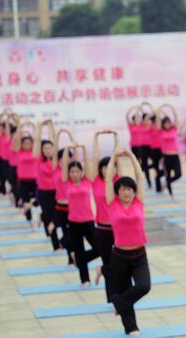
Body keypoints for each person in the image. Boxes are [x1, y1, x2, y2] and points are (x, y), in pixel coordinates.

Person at [106, 149, 151, 337]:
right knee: (124, 288)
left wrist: (131, 157)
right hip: (120, 256)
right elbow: (108, 180)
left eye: (129, 189)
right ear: (118, 191)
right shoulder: (112, 203)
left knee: (144, 286)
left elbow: (140, 178)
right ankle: (131, 327)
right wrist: (114, 158)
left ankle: (119, 302)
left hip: (139, 254)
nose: (127, 192)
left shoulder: (138, 202)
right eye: (123, 189)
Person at [62, 144, 100, 286]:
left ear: (82, 172)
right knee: (79, 249)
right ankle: (85, 279)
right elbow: (65, 165)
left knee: (99, 248)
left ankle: (80, 259)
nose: (74, 174)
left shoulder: (87, 181)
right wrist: (67, 149)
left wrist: (84, 149)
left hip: (88, 221)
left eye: (77, 171)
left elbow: (89, 164)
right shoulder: (67, 183)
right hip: (73, 223)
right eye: (72, 171)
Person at [90, 130, 119, 302]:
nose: (107, 170)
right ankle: (112, 298)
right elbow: (95, 157)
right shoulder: (96, 181)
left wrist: (116, 139)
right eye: (104, 167)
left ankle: (103, 272)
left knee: (118, 264)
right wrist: (96, 137)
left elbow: (119, 159)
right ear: (100, 169)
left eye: (111, 167)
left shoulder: (118, 182)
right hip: (101, 229)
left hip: (118, 229)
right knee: (108, 261)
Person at [34, 119, 60, 250]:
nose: (48, 150)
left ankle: (43, 217)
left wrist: (51, 126)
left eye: (50, 148)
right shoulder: (39, 160)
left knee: (57, 217)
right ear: (42, 150)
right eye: (45, 148)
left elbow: (54, 140)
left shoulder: (56, 160)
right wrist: (40, 126)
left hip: (57, 192)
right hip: (44, 193)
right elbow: (37, 142)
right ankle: (55, 245)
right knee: (50, 217)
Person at [52, 129, 76, 265]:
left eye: (69, 157)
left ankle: (62, 243)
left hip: (72, 206)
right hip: (59, 206)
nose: (66, 160)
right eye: (64, 158)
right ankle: (70, 258)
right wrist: (58, 135)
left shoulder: (74, 171)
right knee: (65, 230)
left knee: (71, 233)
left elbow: (76, 156)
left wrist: (71, 139)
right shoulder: (56, 169)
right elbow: (55, 153)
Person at [13, 121, 38, 230]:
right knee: (26, 201)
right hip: (23, 181)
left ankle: (27, 207)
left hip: (35, 180)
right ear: (22, 144)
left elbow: (37, 138)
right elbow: (17, 139)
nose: (27, 145)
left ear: (32, 144)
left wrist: (33, 126)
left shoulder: (36, 151)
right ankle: (31, 222)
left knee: (37, 200)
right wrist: (21, 126)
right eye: (25, 143)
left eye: (29, 143)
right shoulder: (19, 151)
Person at [158, 104, 182, 197]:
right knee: (167, 175)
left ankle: (166, 184)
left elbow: (176, 119)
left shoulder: (174, 129)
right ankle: (171, 192)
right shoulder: (161, 131)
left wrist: (172, 108)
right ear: (163, 124)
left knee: (178, 174)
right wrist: (160, 109)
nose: (167, 124)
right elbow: (157, 122)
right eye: (165, 123)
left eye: (168, 122)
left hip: (175, 156)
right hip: (166, 157)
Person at [150, 107, 164, 192]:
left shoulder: (161, 128)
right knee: (156, 169)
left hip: (162, 150)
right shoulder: (151, 127)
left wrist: (158, 112)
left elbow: (160, 122)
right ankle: (158, 188)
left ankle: (162, 181)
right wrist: (155, 112)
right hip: (154, 151)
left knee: (164, 168)